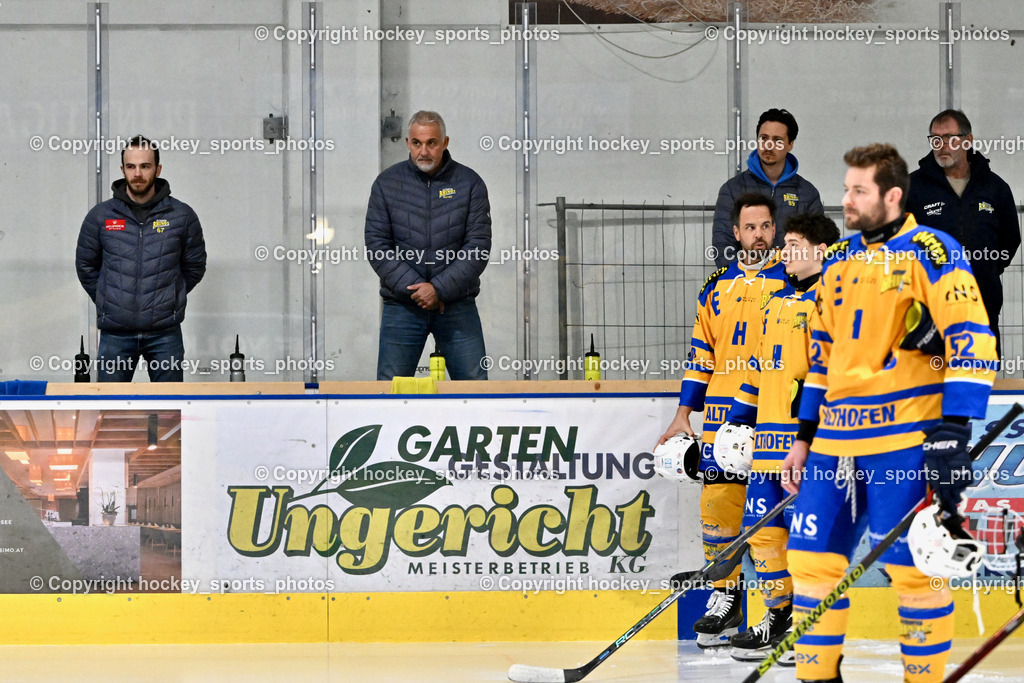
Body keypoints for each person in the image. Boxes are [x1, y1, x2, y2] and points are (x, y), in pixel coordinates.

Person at [782, 144, 996, 683]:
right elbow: (822, 360)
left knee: (915, 571)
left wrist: (954, 425)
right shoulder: (839, 261)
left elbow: (971, 336)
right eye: (846, 188)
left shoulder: (933, 248)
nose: (846, 200)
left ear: (893, 195)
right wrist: (803, 436)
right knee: (809, 564)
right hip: (834, 440)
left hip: (904, 436)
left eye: (858, 190)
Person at [657, 192, 791, 647]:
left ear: (775, 230)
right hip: (718, 420)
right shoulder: (715, 288)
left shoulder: (794, 281)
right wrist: (682, 415)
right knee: (717, 513)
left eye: (766, 226)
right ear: (735, 233)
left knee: (767, 519)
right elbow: (701, 356)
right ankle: (725, 597)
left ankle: (779, 615)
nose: (759, 234)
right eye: (750, 227)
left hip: (772, 420)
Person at [721, 213, 840, 662]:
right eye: (784, 243)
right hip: (767, 446)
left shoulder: (833, 304)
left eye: (793, 244)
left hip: (808, 448)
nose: (784, 251)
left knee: (809, 541)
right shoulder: (774, 303)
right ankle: (778, 620)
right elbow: (754, 371)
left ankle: (811, 630)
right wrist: (736, 422)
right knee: (764, 537)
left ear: (821, 251)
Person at [365, 110, 491, 380]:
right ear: (408, 143)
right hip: (402, 306)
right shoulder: (386, 184)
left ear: (445, 143)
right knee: (390, 392)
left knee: (476, 391)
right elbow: (377, 246)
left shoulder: (470, 184)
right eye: (417, 143)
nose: (424, 151)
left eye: (431, 143)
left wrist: (440, 290)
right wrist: (419, 291)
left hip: (457, 304)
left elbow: (478, 247)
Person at [75, 135, 207, 382]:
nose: (137, 173)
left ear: (157, 169)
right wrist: (109, 300)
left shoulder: (182, 215)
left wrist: (169, 298)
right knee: (110, 413)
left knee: (169, 412)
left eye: (145, 166)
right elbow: (86, 266)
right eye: (131, 166)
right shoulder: (100, 216)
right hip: (116, 334)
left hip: (165, 333)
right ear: (122, 169)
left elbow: (194, 266)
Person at [905, 109, 1020, 353]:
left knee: (978, 380)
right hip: (928, 305)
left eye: (950, 138)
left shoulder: (995, 187)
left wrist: (985, 268)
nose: (941, 145)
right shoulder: (911, 187)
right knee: (929, 382)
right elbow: (896, 242)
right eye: (935, 139)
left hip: (981, 300)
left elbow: (1010, 239)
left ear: (968, 141)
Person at [711, 108, 824, 268]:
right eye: (764, 138)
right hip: (746, 285)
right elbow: (722, 246)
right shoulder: (732, 189)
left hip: (791, 286)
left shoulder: (807, 193)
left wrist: (793, 281)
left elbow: (815, 246)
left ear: (790, 144)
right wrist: (744, 280)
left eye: (777, 140)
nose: (768, 145)